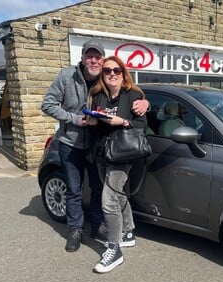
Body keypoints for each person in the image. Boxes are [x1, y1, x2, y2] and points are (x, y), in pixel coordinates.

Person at [41, 39, 149, 253]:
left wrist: (146, 102)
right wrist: (74, 119)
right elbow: (47, 104)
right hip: (70, 143)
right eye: (89, 56)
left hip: (96, 144)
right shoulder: (66, 76)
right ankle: (75, 230)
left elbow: (128, 93)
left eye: (97, 57)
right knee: (74, 190)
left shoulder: (105, 78)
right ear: (82, 58)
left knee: (99, 188)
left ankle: (98, 225)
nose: (94, 60)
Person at [88, 56, 147, 273]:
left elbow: (141, 125)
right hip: (103, 153)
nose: (112, 74)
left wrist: (122, 122)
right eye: (107, 71)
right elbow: (97, 126)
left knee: (109, 199)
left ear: (123, 73)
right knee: (118, 194)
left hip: (123, 154)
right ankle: (128, 231)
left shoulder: (134, 95)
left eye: (116, 70)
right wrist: (93, 122)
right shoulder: (99, 97)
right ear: (102, 75)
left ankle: (114, 250)